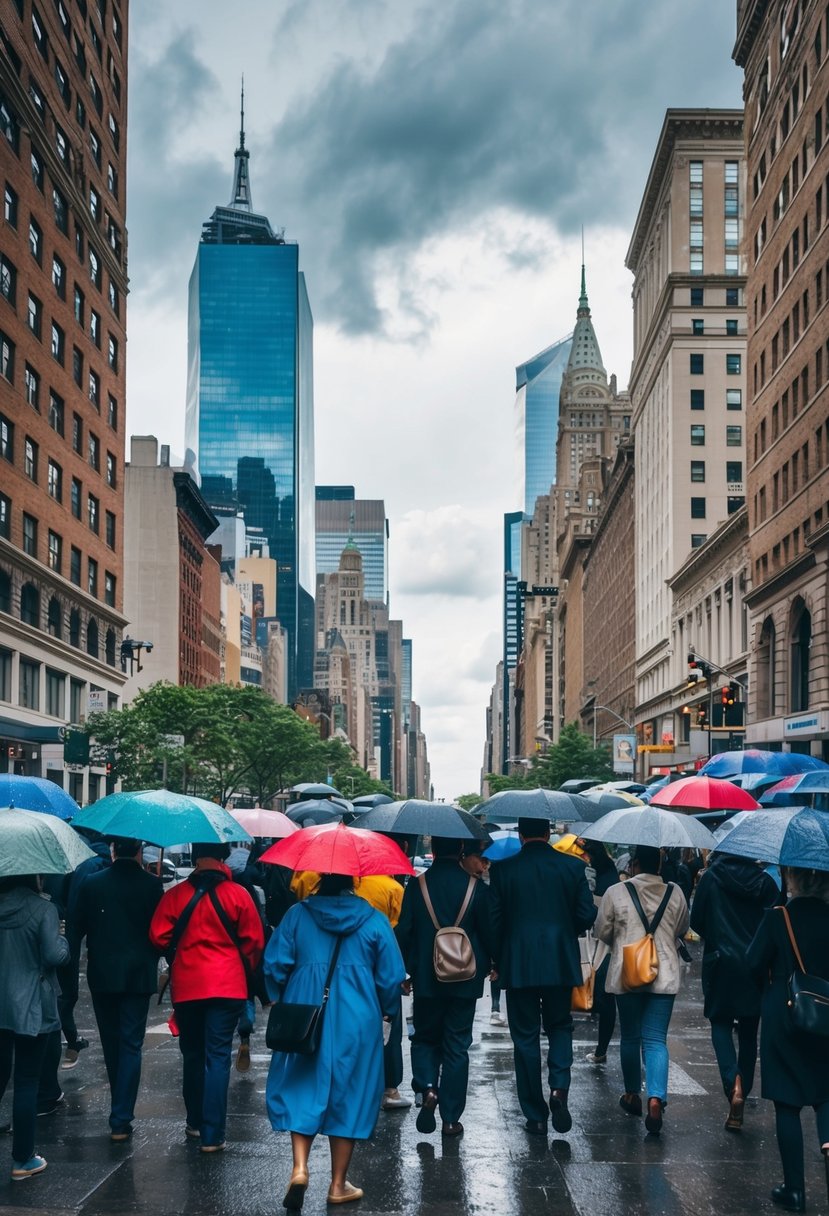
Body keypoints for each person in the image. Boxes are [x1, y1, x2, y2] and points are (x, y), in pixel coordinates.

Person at [265, 872, 405, 1209]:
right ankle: (338, 1184)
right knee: (351, 1093)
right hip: (357, 1016)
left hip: (306, 1008)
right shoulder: (373, 919)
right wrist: (387, 1010)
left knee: (301, 1085)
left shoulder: (297, 915)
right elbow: (391, 976)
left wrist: (280, 993)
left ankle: (300, 1168)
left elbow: (274, 964)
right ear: (354, 881)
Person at [149, 842, 264, 1152]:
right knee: (217, 1057)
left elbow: (158, 936)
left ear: (196, 856)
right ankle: (213, 1135)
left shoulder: (175, 896)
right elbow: (254, 943)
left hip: (188, 986)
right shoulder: (238, 894)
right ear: (224, 856)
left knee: (193, 1055)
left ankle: (195, 1123)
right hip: (227, 986)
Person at [489, 817, 596, 1136]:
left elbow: (494, 921)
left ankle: (535, 1113)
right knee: (560, 1026)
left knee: (524, 1036)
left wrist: (498, 957)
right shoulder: (572, 867)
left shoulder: (503, 870)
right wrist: (564, 931)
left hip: (519, 962)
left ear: (520, 835)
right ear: (549, 833)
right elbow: (587, 914)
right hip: (559, 960)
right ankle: (559, 1089)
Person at [396, 836, 494, 1137]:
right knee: (457, 1045)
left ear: (434, 850)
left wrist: (406, 971)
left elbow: (405, 932)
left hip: (427, 978)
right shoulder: (478, 888)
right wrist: (493, 964)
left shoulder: (416, 886)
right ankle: (451, 1118)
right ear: (461, 850)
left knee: (424, 1038)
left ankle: (427, 1087)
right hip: (465, 979)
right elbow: (490, 933)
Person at [747, 866, 829, 1213]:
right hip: (826, 1014)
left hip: (785, 1012)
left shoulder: (779, 917)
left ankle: (794, 1189)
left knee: (787, 1101)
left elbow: (752, 962)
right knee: (826, 1094)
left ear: (792, 878)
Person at [72, 838, 163, 1141]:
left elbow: (77, 929)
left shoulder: (92, 883)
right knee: (131, 1044)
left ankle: (119, 1106)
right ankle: (121, 1116)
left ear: (112, 849)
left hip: (103, 973)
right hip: (138, 975)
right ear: (138, 850)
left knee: (112, 1043)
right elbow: (158, 931)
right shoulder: (152, 885)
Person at [594, 845, 689, 1135]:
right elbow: (682, 928)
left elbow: (602, 932)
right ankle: (656, 1098)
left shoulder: (615, 892)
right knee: (656, 1039)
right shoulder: (676, 892)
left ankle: (633, 1094)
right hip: (664, 973)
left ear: (634, 864)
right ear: (659, 864)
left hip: (627, 973)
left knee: (631, 1036)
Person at [690, 850, 778, 1130]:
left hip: (720, 962)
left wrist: (716, 933)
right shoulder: (766, 883)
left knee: (720, 1023)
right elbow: (775, 922)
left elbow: (696, 921)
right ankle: (743, 1090)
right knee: (750, 1031)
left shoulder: (711, 877)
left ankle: (733, 1085)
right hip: (755, 963)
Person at [0, 874, 69, 1181]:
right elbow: (54, 955)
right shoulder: (45, 910)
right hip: (32, 1007)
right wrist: (63, 941)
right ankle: (23, 1158)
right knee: (27, 1082)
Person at [581, 839, 620, 1066]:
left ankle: (601, 1049)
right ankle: (601, 1049)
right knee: (610, 1000)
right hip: (613, 945)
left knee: (605, 997)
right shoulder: (612, 873)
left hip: (600, 942)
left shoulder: (591, 873)